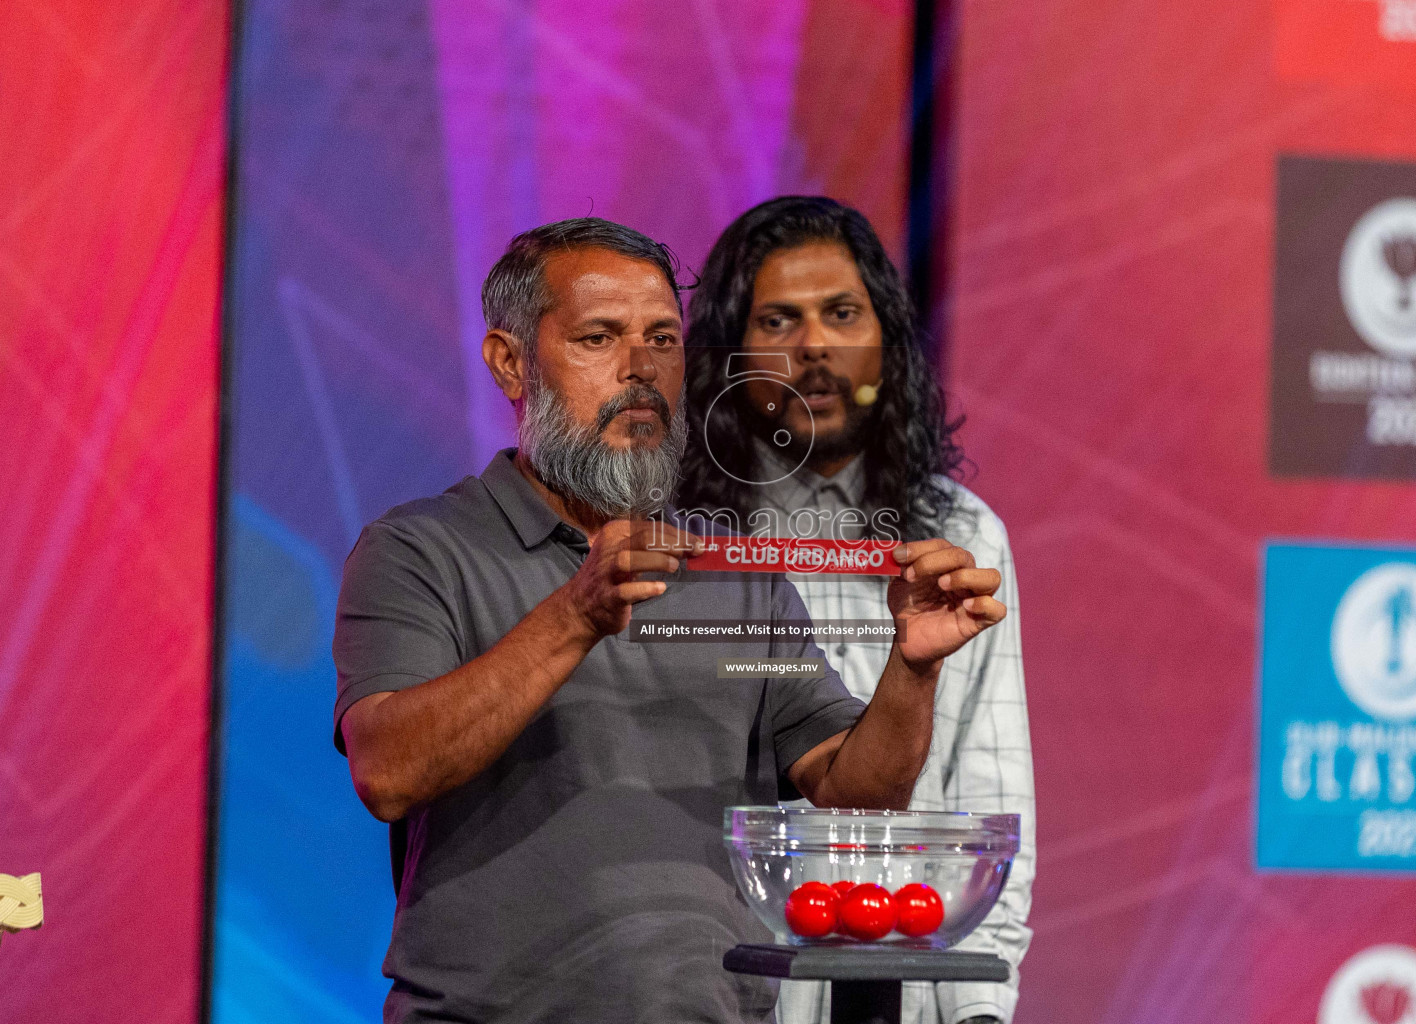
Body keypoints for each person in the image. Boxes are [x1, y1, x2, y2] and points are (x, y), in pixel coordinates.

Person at [331, 217, 1008, 1023]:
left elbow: (852, 789)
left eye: (661, 338)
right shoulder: (419, 550)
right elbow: (388, 771)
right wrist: (575, 615)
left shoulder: (733, 575)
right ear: (511, 363)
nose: (640, 369)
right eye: (598, 337)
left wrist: (913, 667)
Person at [679, 197, 1035, 1024]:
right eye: (779, 320)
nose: (815, 347)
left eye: (842, 313)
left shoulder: (962, 532)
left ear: (886, 339)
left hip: (902, 996)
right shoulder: (684, 539)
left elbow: (987, 789)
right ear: (730, 353)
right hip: (717, 990)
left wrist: (980, 1010)